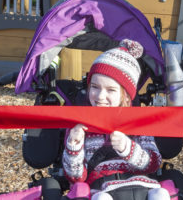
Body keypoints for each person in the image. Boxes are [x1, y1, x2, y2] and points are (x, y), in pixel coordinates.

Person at [62, 39, 170, 200]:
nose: (100, 97)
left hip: (141, 184)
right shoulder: (81, 126)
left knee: (161, 194)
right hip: (102, 188)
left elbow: (153, 163)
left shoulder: (138, 123)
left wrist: (129, 149)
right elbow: (75, 178)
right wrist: (74, 147)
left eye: (110, 90)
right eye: (95, 87)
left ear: (125, 96)